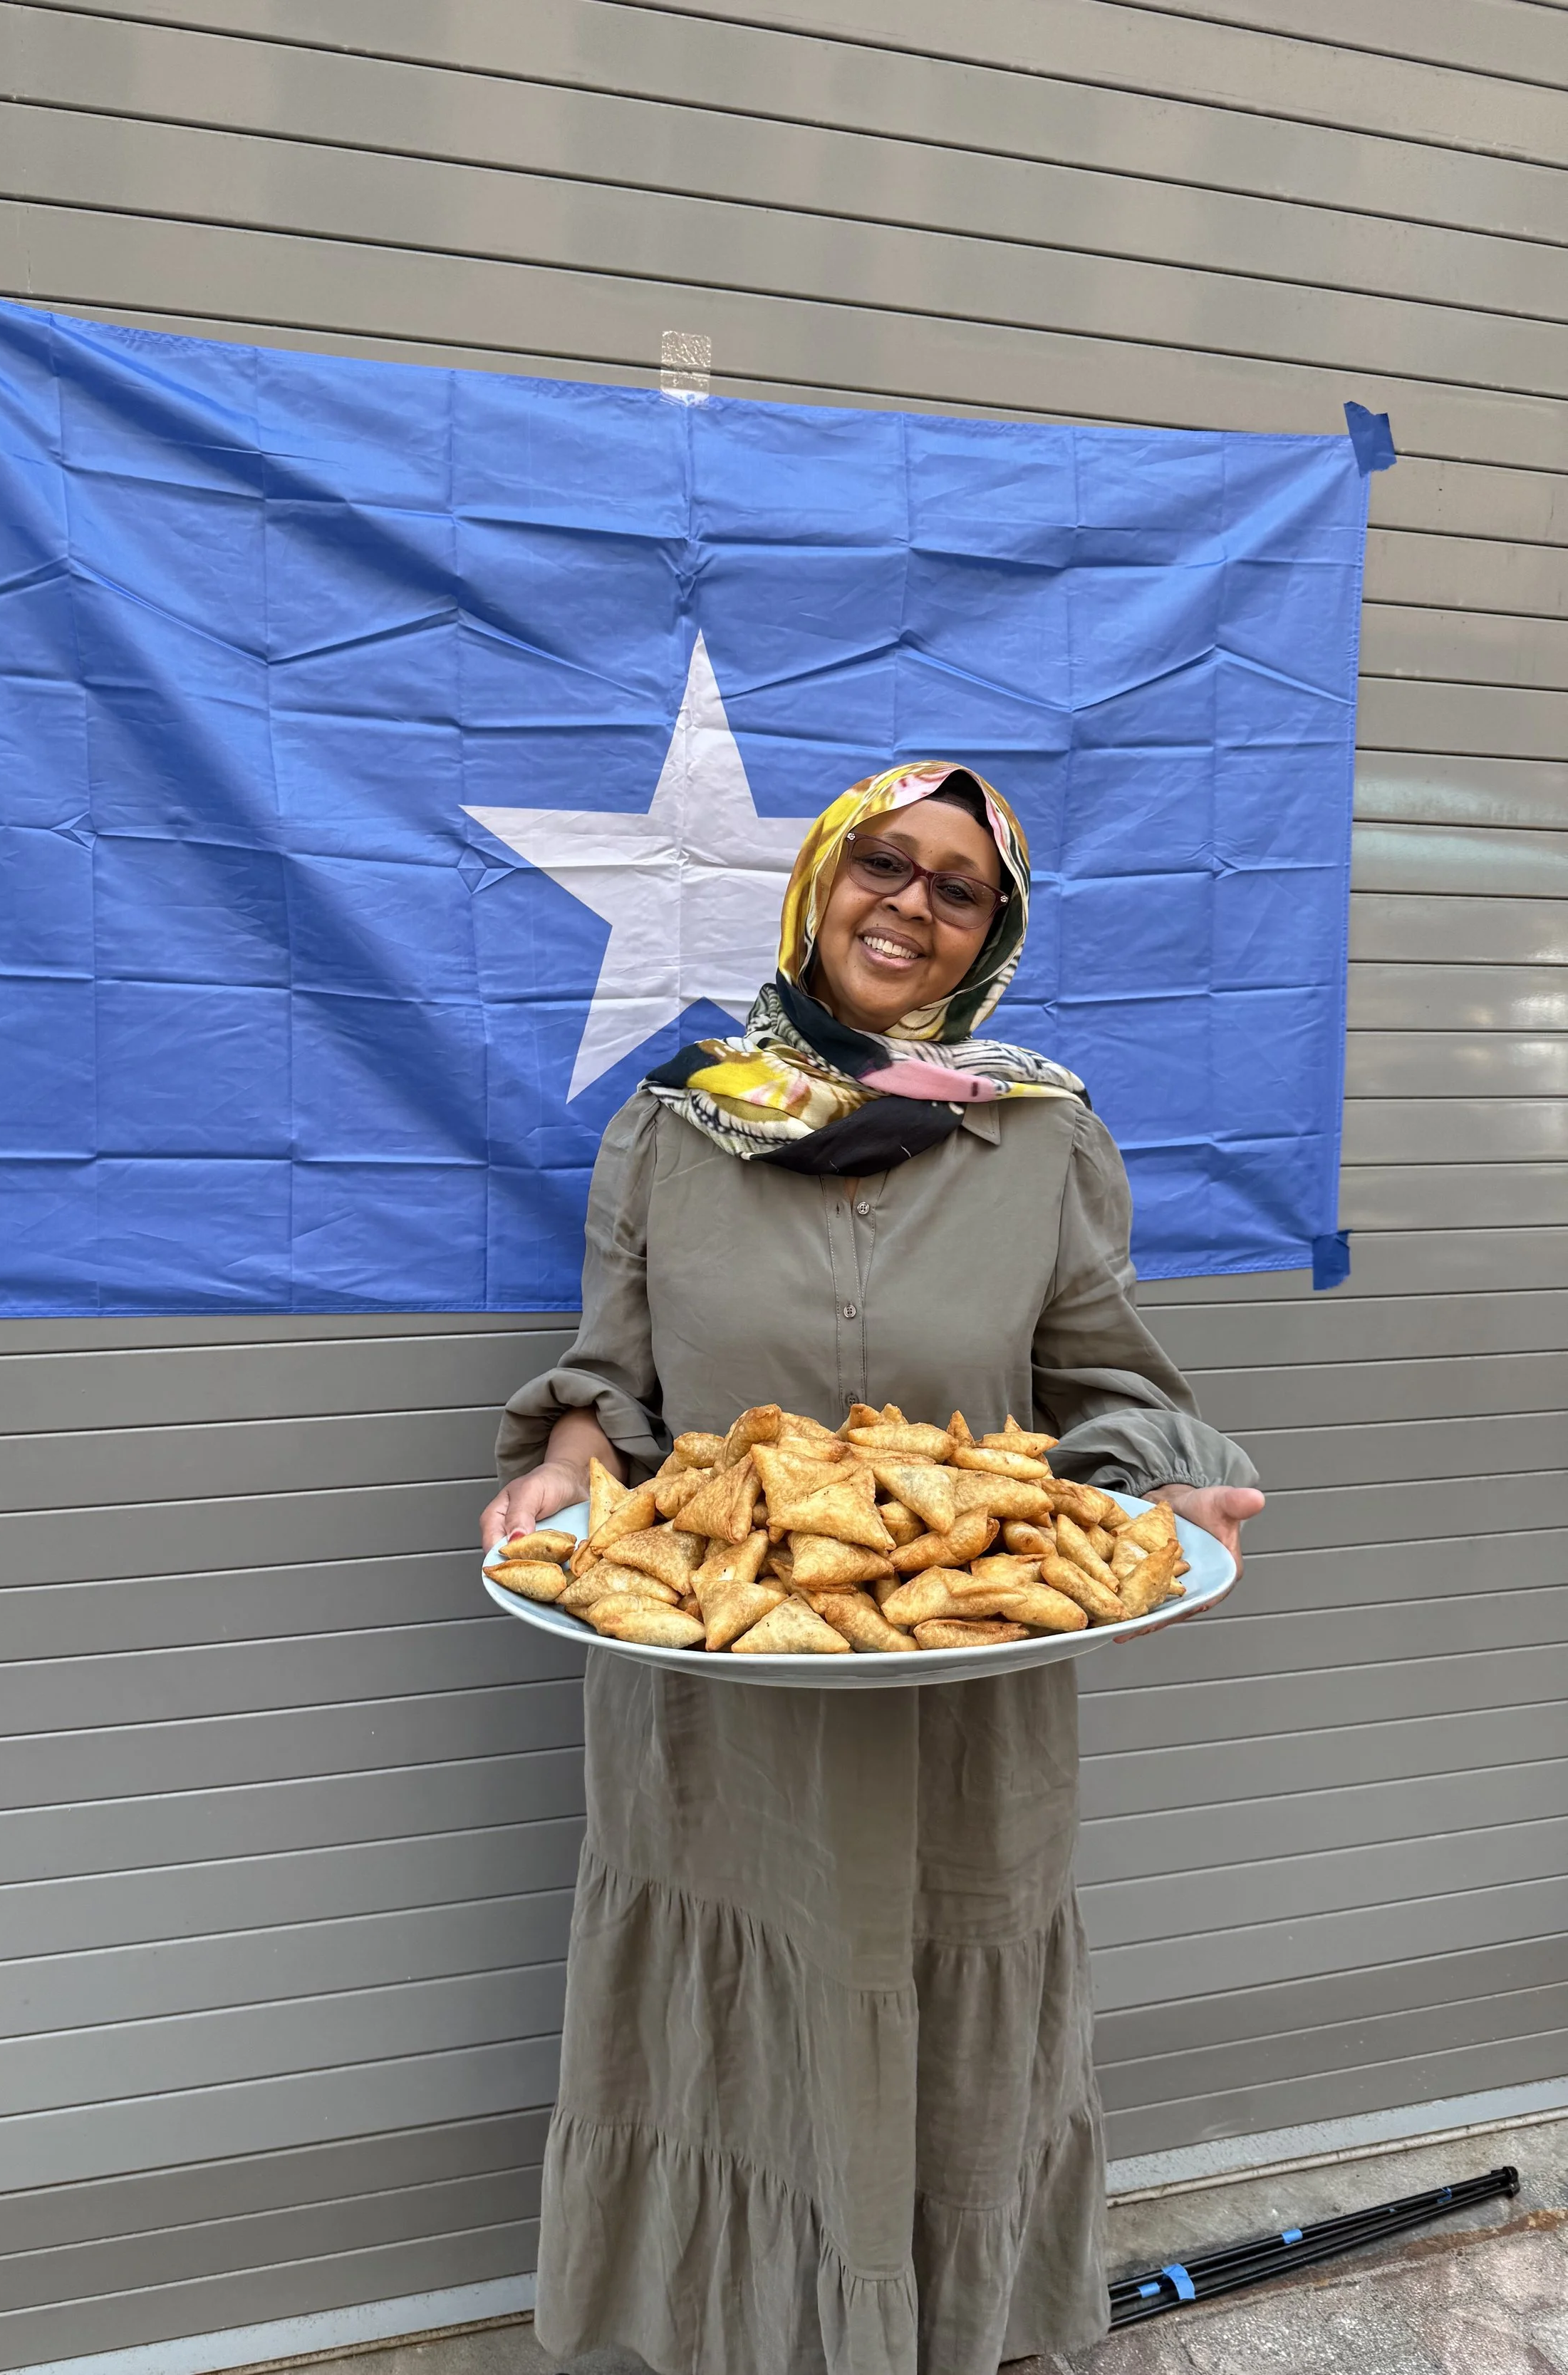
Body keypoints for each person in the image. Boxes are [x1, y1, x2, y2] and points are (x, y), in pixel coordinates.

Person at [479, 761, 1264, 2375]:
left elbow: (1103, 1382)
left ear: (991, 930)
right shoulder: (677, 1117)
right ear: (820, 880)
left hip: (963, 1693)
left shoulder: (1038, 1135)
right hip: (720, 1699)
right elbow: (608, 1382)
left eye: (954, 887)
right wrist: (566, 1462)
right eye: (881, 866)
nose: (907, 903)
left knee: (950, 2001)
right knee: (739, 2021)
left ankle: (948, 2335)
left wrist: (1163, 1499)